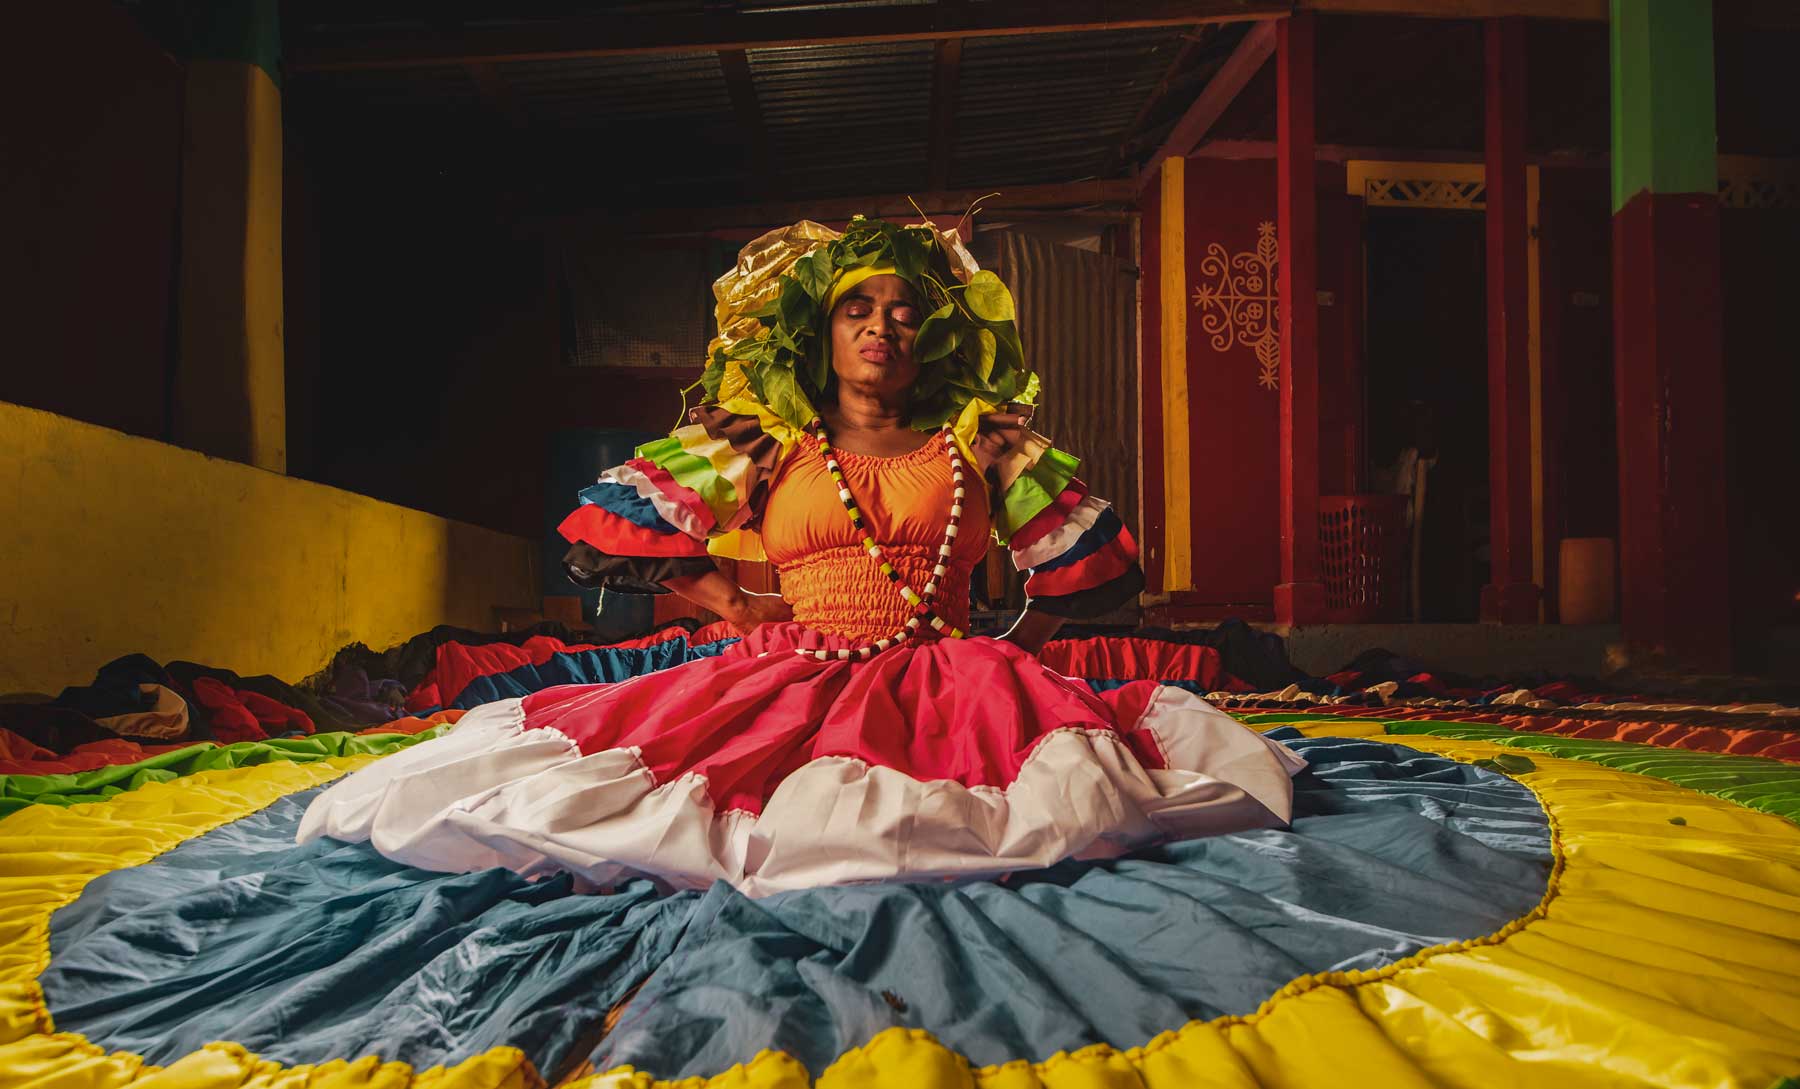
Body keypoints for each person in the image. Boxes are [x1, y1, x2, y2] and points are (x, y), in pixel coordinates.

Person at [299, 218, 1303, 896]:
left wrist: (1019, 641)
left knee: (1049, 810)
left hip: (954, 674)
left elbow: (1097, 570)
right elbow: (610, 539)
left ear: (933, 334)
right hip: (786, 666)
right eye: (857, 311)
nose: (881, 328)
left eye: (903, 311)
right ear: (821, 335)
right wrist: (725, 605)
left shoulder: (980, 441)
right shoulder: (768, 440)